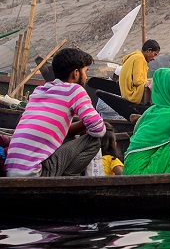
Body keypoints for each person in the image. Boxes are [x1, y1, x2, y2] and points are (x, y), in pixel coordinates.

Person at [3, 48, 107, 177]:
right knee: (94, 141)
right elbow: (99, 130)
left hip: (10, 173)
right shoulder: (75, 90)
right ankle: (66, 180)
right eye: (85, 72)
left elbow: (58, 132)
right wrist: (87, 125)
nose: (86, 77)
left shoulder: (39, 91)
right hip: (36, 174)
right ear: (76, 73)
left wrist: (82, 125)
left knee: (68, 137)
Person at [119, 40, 160, 104]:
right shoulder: (139, 58)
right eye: (155, 54)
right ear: (149, 50)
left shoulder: (136, 56)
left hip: (126, 94)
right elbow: (137, 81)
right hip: (132, 95)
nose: (154, 58)